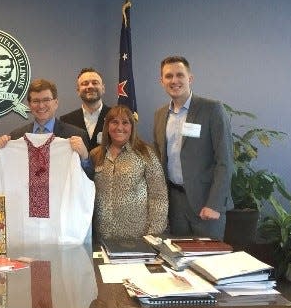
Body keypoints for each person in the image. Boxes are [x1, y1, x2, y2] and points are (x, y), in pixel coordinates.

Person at [0, 79, 95, 246]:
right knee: (29, 268)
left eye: (46, 100)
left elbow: (89, 179)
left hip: (60, 221)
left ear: (56, 102)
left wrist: (84, 157)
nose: (41, 105)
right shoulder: (16, 136)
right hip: (24, 224)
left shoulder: (75, 135)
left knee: (59, 269)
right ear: (29, 104)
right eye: (36, 101)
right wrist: (2, 149)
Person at [154, 55, 234, 239]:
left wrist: (214, 204)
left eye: (179, 75)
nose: (174, 80)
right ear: (162, 81)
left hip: (206, 203)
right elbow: (159, 159)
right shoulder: (159, 115)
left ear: (190, 78)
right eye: (168, 76)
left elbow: (225, 161)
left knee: (209, 263)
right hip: (174, 203)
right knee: (178, 260)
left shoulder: (212, 109)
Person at [89, 105, 168, 243]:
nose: (119, 127)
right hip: (101, 236)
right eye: (114, 122)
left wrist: (153, 234)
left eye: (125, 122)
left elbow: (159, 196)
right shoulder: (96, 154)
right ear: (107, 126)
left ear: (132, 126)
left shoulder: (145, 153)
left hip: (137, 237)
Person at [60, 67, 110, 152]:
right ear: (78, 91)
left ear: (103, 88)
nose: (90, 86)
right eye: (85, 83)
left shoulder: (116, 117)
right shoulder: (66, 121)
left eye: (95, 83)